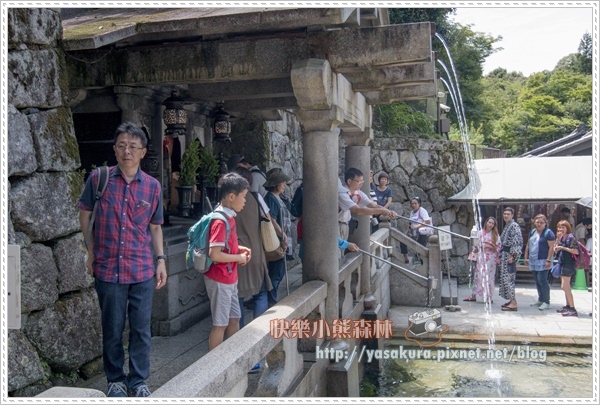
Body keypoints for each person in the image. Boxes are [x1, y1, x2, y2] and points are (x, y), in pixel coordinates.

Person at [78, 122, 167, 397]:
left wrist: (161, 259)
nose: (127, 151)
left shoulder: (152, 187)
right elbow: (84, 213)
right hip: (108, 269)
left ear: (142, 152)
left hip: (141, 269)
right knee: (112, 329)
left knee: (141, 330)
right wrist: (90, 250)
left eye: (133, 146)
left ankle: (138, 380)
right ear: (115, 149)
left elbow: (155, 226)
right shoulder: (99, 178)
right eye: (122, 145)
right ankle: (115, 379)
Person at [205, 172, 251, 350]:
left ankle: (232, 357)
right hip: (220, 279)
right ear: (232, 196)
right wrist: (238, 257)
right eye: (244, 196)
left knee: (234, 318)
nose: (245, 201)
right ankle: (215, 366)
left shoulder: (228, 216)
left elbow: (224, 248)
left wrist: (239, 249)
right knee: (220, 324)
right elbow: (215, 254)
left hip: (229, 278)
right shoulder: (220, 220)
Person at [231, 167, 273, 328]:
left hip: (235, 255)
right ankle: (259, 334)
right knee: (261, 294)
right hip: (256, 254)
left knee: (238, 296)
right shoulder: (255, 198)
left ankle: (240, 337)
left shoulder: (228, 200)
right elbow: (268, 219)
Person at [338, 168, 397, 244]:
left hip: (345, 224)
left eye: (362, 181)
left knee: (341, 251)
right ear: (349, 181)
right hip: (336, 224)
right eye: (359, 181)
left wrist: (389, 212)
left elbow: (373, 205)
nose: (361, 183)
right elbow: (358, 210)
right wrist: (382, 211)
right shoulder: (342, 194)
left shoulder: (359, 193)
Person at [263, 168, 292, 307]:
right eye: (282, 182)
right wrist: (282, 235)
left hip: (282, 237)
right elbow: (272, 219)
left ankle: (270, 297)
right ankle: (271, 299)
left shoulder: (281, 197)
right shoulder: (270, 198)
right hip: (276, 239)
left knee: (278, 271)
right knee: (276, 272)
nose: (284, 184)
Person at [463, 216, 502, 304]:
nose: (491, 224)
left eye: (492, 223)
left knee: (489, 277)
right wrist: (477, 248)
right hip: (481, 257)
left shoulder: (495, 235)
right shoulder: (480, 233)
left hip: (491, 258)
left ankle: (489, 297)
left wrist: (491, 246)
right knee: (478, 276)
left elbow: (498, 247)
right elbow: (475, 245)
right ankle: (473, 295)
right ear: (486, 223)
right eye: (489, 222)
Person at [523, 214, 556, 310]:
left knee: (542, 280)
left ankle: (546, 301)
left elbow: (551, 247)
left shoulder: (548, 233)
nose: (539, 224)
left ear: (545, 223)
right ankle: (540, 299)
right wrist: (526, 257)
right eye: (537, 222)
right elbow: (528, 245)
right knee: (537, 280)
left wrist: (548, 260)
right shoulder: (532, 231)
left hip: (543, 260)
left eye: (541, 222)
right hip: (533, 259)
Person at [554, 220, 580, 317]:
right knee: (564, 287)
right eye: (559, 227)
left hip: (568, 264)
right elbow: (556, 250)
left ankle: (573, 309)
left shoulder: (571, 237)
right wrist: (557, 241)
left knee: (566, 286)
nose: (561, 229)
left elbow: (576, 251)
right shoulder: (561, 237)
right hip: (562, 263)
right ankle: (568, 305)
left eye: (563, 227)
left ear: (567, 228)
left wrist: (563, 248)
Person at [499, 207, 523, 312]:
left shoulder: (514, 226)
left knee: (509, 279)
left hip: (509, 255)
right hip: (505, 254)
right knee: (505, 279)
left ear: (512, 215)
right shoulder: (508, 226)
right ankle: (511, 300)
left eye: (508, 214)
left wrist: (512, 256)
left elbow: (517, 241)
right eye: (504, 214)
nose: (506, 216)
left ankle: (513, 302)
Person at [399, 196, 432, 264]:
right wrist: (406, 232)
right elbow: (410, 223)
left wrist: (417, 226)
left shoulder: (422, 210)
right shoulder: (412, 212)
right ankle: (406, 258)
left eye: (415, 203)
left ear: (419, 204)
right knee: (403, 240)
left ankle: (422, 264)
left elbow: (427, 221)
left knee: (420, 249)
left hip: (422, 233)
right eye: (412, 203)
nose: (413, 205)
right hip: (414, 233)